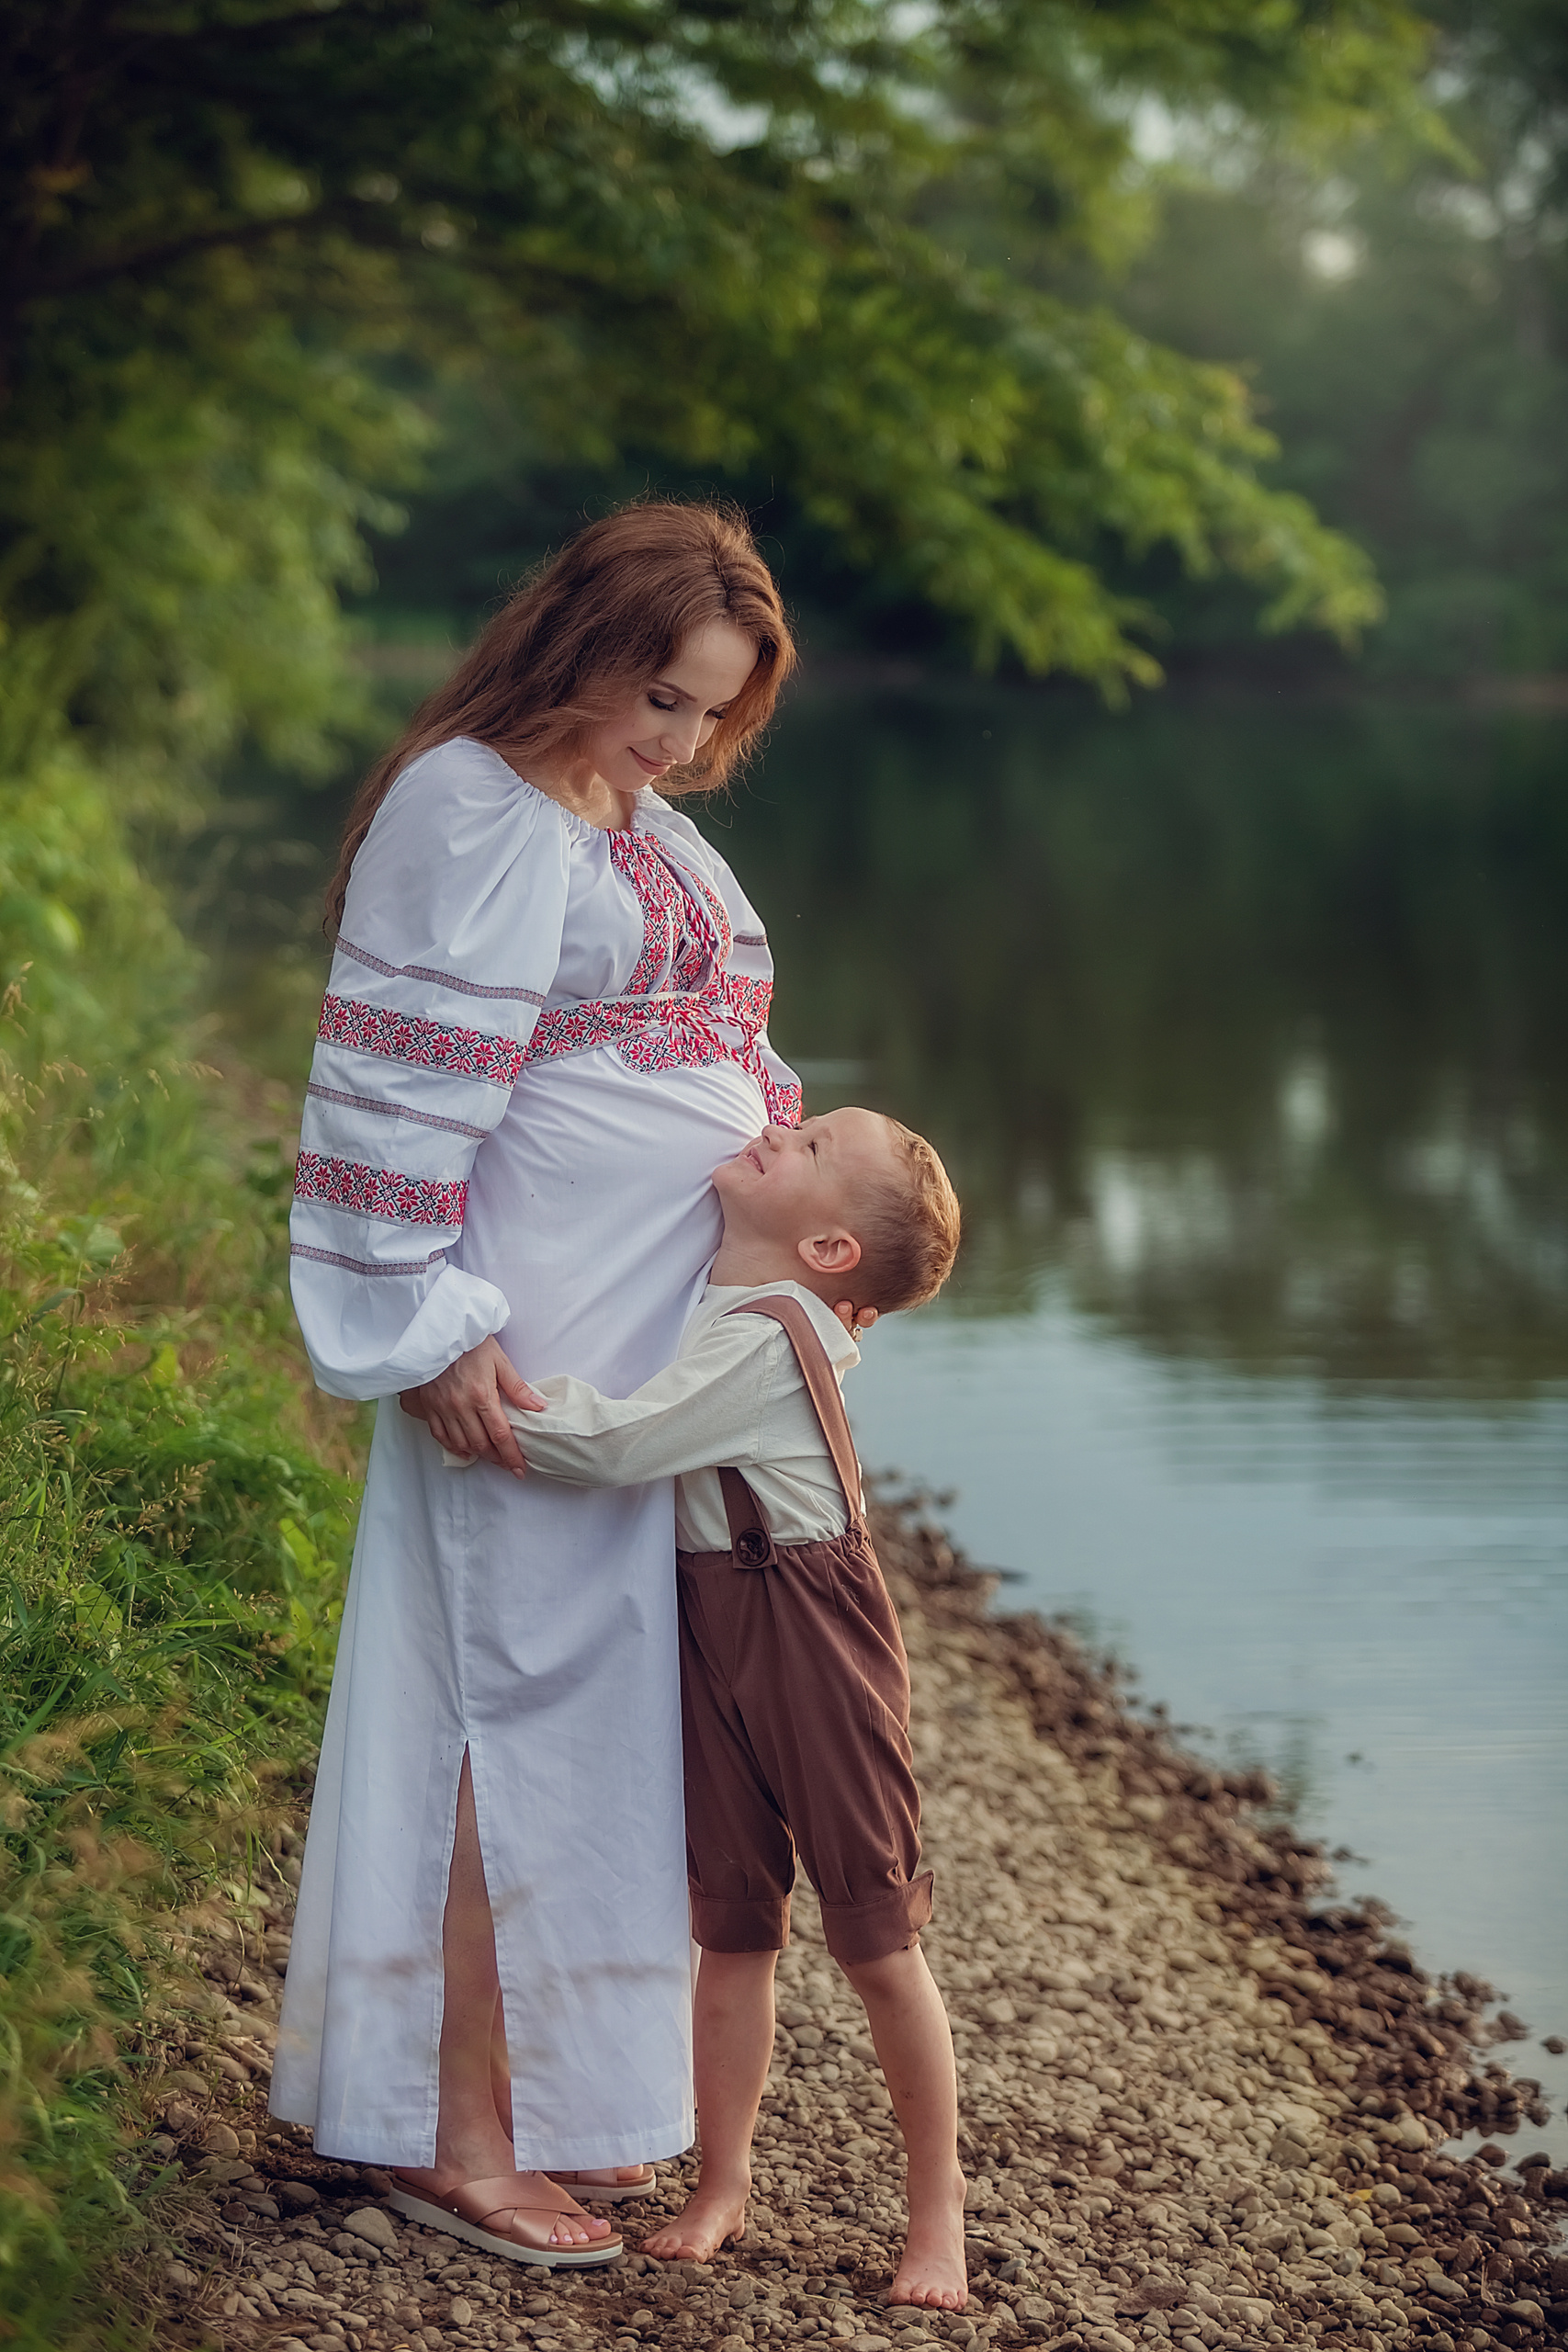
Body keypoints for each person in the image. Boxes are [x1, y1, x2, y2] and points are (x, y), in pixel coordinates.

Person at [271, 501, 866, 2269]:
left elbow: (731, 1047)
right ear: (582, 643)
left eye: (711, 714)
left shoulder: (641, 823)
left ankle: (535, 2105)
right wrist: (428, 1319)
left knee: (592, 1724)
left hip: (640, 1360)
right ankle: (452, 2137)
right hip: (523, 1334)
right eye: (661, 696)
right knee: (489, 1710)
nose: (681, 741)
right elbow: (388, 1084)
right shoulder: (471, 803)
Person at [439, 1108, 970, 2309]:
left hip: (809, 1627)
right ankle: (721, 2181)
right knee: (733, 1920)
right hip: (713, 1614)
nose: (786, 1124)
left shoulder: (773, 1334)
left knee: (877, 1936)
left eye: (817, 1145)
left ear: (830, 1254)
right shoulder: (729, 1293)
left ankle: (937, 2217)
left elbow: (621, 1446)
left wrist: (471, 1398)